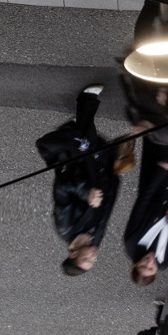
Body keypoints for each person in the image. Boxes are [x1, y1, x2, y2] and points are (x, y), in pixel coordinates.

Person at [38, 85, 119, 275]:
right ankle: (79, 123)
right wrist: (114, 178)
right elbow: (106, 210)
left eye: (87, 258)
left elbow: (62, 187)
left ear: (73, 254)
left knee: (87, 143)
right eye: (93, 261)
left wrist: (86, 193)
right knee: (99, 144)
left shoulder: (66, 226)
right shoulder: (94, 240)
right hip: (103, 175)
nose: (94, 255)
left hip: (80, 170)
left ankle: (86, 100)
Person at [125, 122, 168, 286]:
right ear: (156, 272)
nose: (149, 263)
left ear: (135, 264)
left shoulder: (132, 242)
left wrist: (159, 173)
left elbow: (142, 201)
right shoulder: (163, 261)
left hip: (160, 183)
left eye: (143, 265)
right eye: (150, 268)